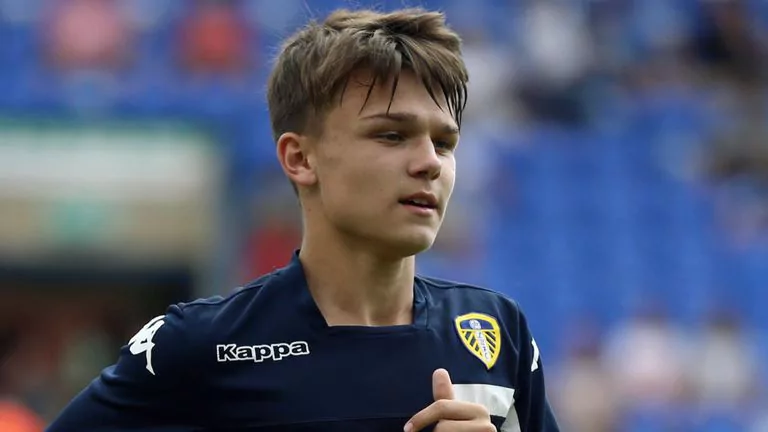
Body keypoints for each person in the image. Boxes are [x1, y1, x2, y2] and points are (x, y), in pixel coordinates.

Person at [47, 8, 560, 431]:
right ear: (300, 158)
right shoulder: (201, 346)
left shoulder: (497, 331)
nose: (430, 162)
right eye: (391, 135)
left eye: (444, 143)